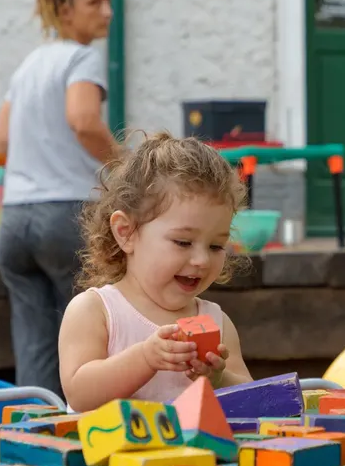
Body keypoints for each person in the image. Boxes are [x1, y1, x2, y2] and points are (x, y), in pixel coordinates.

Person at [0, 0, 121, 398]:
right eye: (95, 2)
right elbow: (83, 120)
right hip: (65, 215)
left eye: (109, 1)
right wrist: (125, 168)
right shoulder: (80, 57)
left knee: (34, 344)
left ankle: (32, 433)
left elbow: (3, 140)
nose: (107, 11)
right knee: (85, 338)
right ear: (65, 9)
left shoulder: (29, 63)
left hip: (14, 220)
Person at [58, 133, 254, 412]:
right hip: (106, 455)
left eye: (215, 246)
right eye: (183, 242)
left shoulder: (216, 322)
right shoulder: (96, 311)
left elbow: (254, 397)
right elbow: (79, 394)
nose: (200, 259)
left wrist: (219, 378)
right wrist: (145, 358)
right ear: (126, 233)